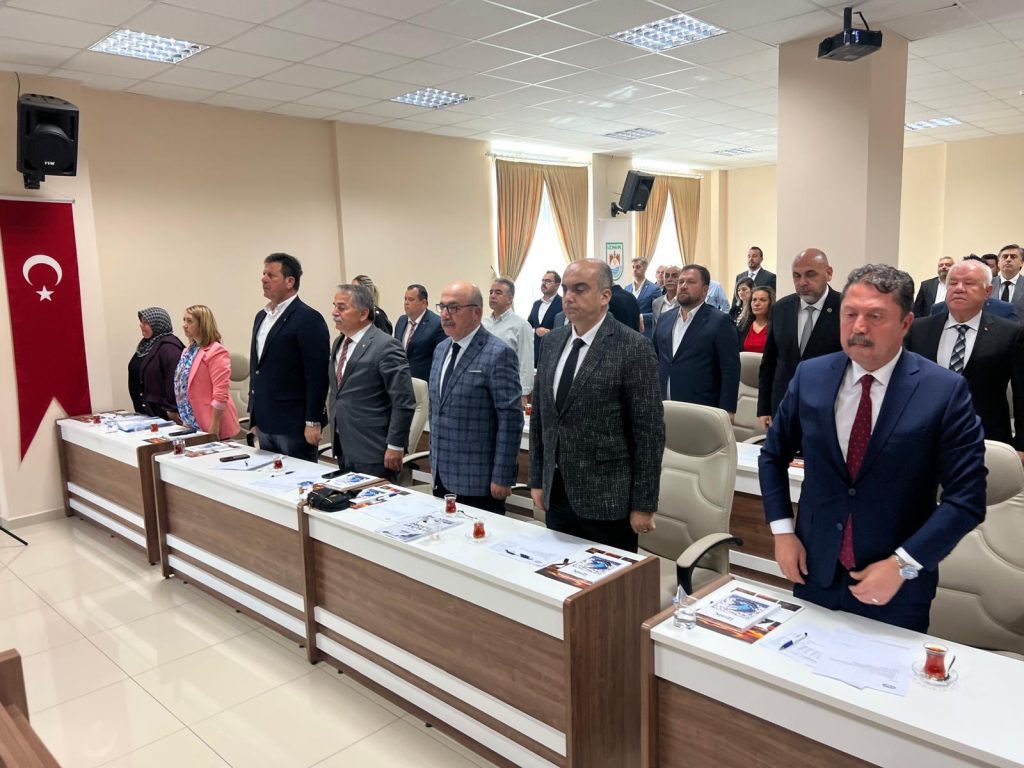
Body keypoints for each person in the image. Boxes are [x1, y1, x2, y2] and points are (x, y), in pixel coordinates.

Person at [760, 264, 986, 632]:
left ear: (906, 323)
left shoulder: (943, 391)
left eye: (875, 316)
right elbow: (772, 456)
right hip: (815, 569)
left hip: (895, 585)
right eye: (850, 314)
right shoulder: (811, 376)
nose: (859, 327)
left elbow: (967, 499)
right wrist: (783, 532)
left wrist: (903, 564)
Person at [530, 259, 664, 552]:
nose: (568, 297)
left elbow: (649, 434)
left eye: (580, 289)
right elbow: (542, 418)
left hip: (608, 499)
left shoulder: (633, 347)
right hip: (558, 491)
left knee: (610, 579)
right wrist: (538, 479)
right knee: (559, 573)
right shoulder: (552, 342)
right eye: (566, 289)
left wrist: (644, 504)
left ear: (605, 296)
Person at [906, 258, 1024, 457]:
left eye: (968, 283)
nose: (959, 289)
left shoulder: (1010, 334)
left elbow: (1021, 392)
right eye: (953, 283)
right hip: (924, 436)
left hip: (986, 439)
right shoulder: (918, 329)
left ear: (987, 292)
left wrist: (1021, 445)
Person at [429, 281, 523, 515]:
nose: (445, 314)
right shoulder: (441, 349)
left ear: (476, 313)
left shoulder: (498, 353)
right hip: (441, 473)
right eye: (442, 307)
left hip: (479, 479)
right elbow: (437, 409)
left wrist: (502, 476)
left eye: (454, 308)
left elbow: (510, 420)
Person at [328, 283, 416, 479]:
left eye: (342, 307)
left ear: (363, 314)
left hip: (374, 448)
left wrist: (395, 445)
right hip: (344, 445)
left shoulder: (386, 346)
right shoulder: (339, 342)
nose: (334, 313)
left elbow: (403, 400)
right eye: (334, 306)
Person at [249, 252, 330, 462]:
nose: (263, 279)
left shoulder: (308, 318)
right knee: (268, 476)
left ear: (290, 281)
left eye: (271, 275)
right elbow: (256, 368)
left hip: (294, 423)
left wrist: (313, 421)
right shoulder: (261, 317)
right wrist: (253, 415)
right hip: (265, 420)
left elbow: (317, 375)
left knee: (298, 478)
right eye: (263, 273)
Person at [757, 248, 842, 428]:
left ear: (829, 273)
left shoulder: (845, 309)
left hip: (828, 410)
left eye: (810, 274)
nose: (802, 282)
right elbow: (769, 362)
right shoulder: (781, 308)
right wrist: (764, 407)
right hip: (783, 406)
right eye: (796, 276)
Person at [654, 264, 739, 414]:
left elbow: (730, 369)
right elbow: (654, 359)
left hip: (701, 408)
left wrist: (728, 410)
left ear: (705, 289)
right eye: (681, 282)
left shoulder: (720, 321)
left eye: (691, 282)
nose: (683, 286)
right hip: (663, 405)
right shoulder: (664, 319)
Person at [174, 305, 240, 439]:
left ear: (202, 324)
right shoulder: (187, 351)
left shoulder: (216, 351)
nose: (184, 325)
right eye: (184, 320)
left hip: (211, 422)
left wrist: (214, 426)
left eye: (189, 321)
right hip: (191, 421)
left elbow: (220, 393)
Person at [482, 278, 534, 401]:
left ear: (510, 299)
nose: (492, 296)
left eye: (498, 292)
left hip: (508, 388)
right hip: (483, 387)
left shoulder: (521, 325)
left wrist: (524, 393)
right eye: (491, 292)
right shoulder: (483, 323)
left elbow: (526, 362)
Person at [128, 307, 184, 419]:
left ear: (158, 325)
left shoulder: (169, 348)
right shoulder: (146, 345)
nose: (141, 325)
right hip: (146, 414)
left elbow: (174, 381)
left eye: (146, 323)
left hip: (163, 416)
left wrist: (171, 409)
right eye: (141, 322)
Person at [393, 284, 445, 381]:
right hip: (400, 380)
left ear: (424, 303)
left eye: (411, 300)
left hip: (422, 382)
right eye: (405, 299)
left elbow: (440, 359)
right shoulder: (401, 321)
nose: (406, 303)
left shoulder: (437, 324)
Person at [528, 271, 563, 361]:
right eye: (543, 281)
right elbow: (529, 324)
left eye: (548, 281)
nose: (543, 284)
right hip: (536, 353)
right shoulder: (536, 304)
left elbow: (568, 327)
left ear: (557, 285)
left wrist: (550, 332)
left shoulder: (563, 303)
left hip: (555, 353)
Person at [627, 257, 661, 338]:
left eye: (638, 267)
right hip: (628, 332)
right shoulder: (627, 288)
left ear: (645, 268)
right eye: (633, 267)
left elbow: (658, 313)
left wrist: (641, 317)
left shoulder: (654, 289)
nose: (634, 269)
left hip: (646, 333)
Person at [738, 286, 775, 354]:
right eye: (754, 300)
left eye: (762, 300)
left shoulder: (776, 326)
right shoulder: (743, 325)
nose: (757, 304)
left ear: (770, 303)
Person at [652, 265, 680, 329]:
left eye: (674, 276)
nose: (669, 279)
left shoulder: (686, 302)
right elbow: (655, 329)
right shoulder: (656, 303)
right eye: (666, 276)